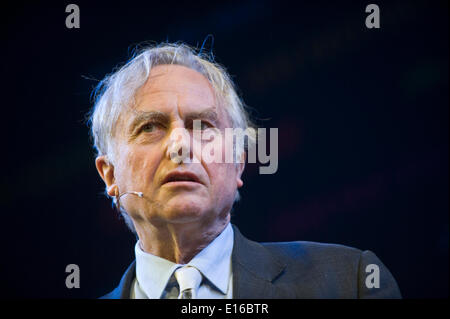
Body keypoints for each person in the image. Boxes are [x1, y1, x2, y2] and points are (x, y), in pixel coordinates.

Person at [89, 42, 401, 299]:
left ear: (238, 162)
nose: (179, 145)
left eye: (204, 126)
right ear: (110, 175)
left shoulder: (350, 283)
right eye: (150, 127)